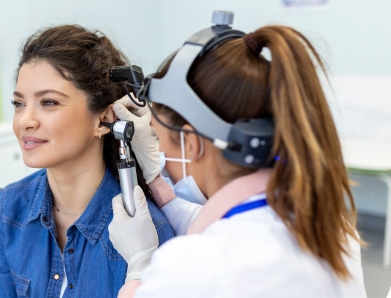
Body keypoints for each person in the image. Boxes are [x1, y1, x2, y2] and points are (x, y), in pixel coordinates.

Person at [108, 14, 367, 297]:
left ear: (191, 143)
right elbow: (226, 221)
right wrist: (160, 187)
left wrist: (139, 263)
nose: (162, 158)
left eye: (158, 139)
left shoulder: (197, 267)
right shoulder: (328, 221)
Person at [0, 25, 175, 298]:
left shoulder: (145, 234)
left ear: (104, 119)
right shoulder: (6, 212)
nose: (26, 121)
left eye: (48, 102)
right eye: (19, 104)